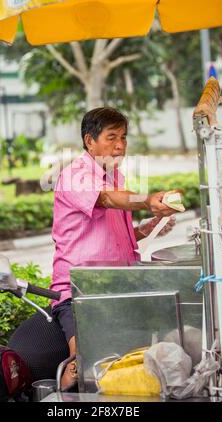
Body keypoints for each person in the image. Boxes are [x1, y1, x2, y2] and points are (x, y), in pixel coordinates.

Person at [50, 107, 179, 388]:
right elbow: (107, 200)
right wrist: (148, 200)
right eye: (111, 137)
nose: (120, 145)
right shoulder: (76, 175)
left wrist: (147, 227)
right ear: (89, 140)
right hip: (79, 291)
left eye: (123, 137)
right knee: (81, 363)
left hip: (118, 287)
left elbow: (114, 235)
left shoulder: (115, 176)